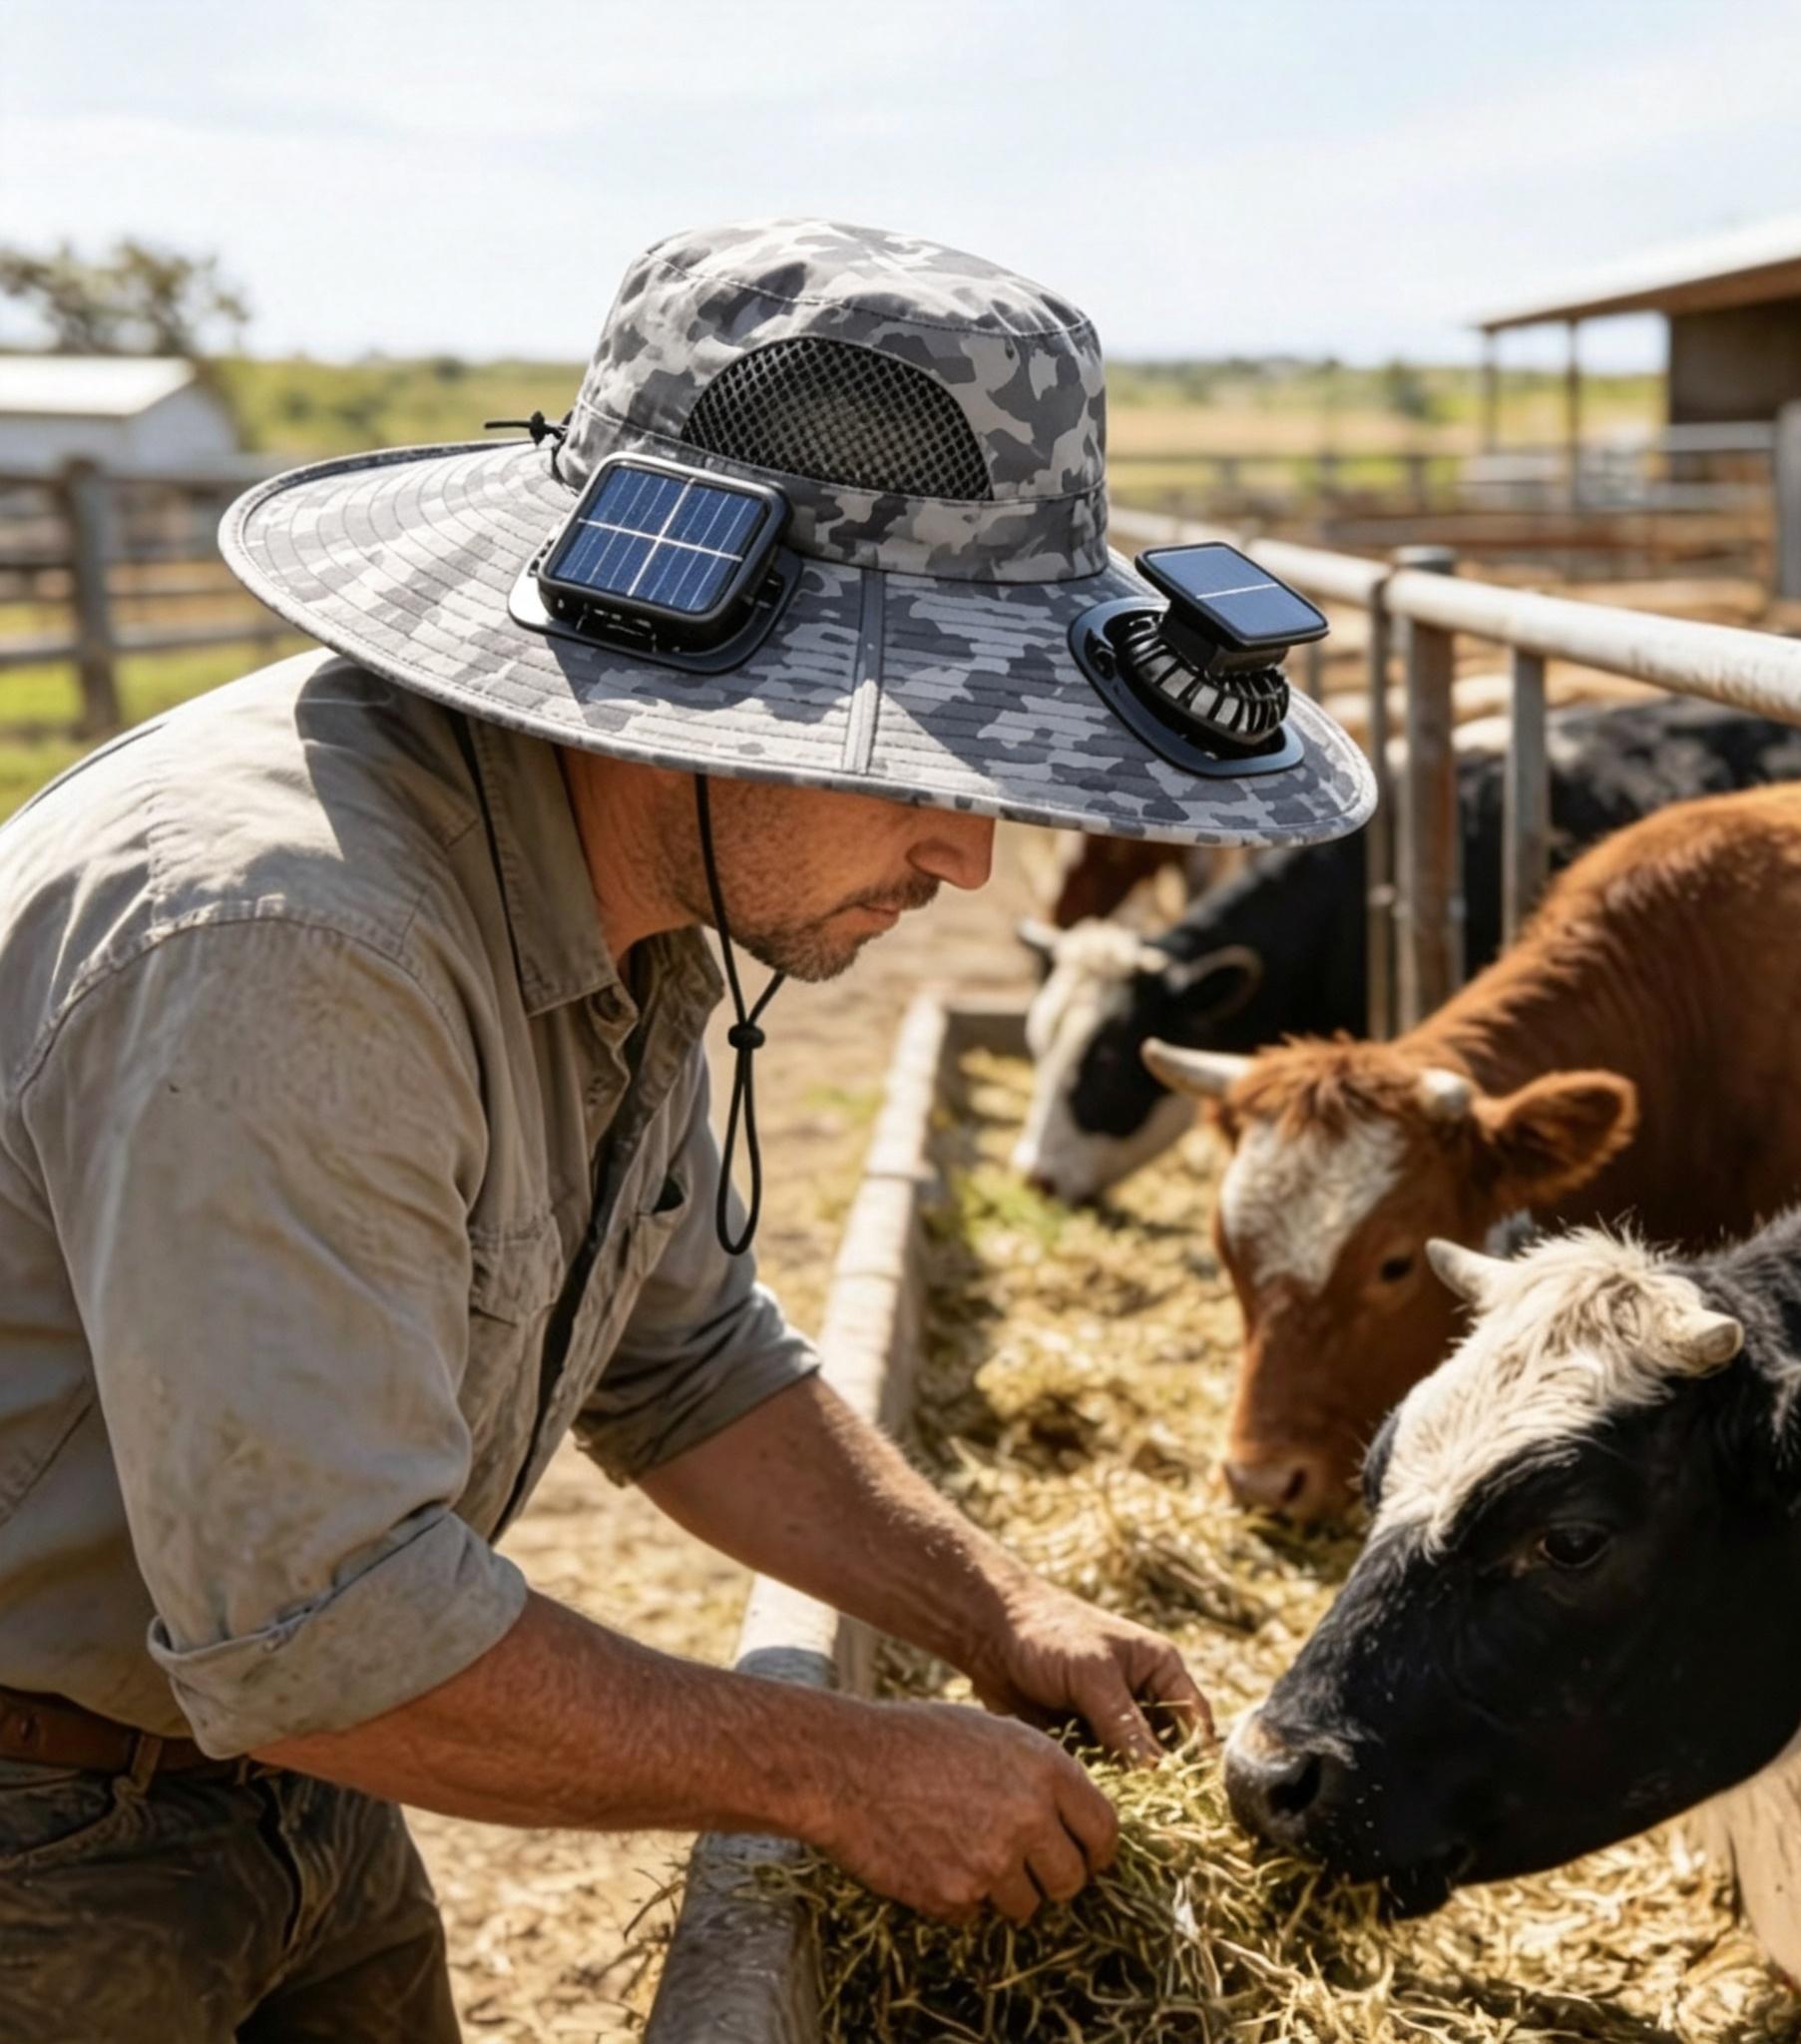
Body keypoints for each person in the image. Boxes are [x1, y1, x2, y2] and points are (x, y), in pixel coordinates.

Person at [0, 218, 1371, 2038]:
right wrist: (839, 1770)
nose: (968, 859)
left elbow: (686, 1363)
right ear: (701, 700)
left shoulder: (617, 888)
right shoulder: (298, 940)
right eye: (929, 762)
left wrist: (996, 1609)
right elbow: (321, 1629)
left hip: (266, 1767)